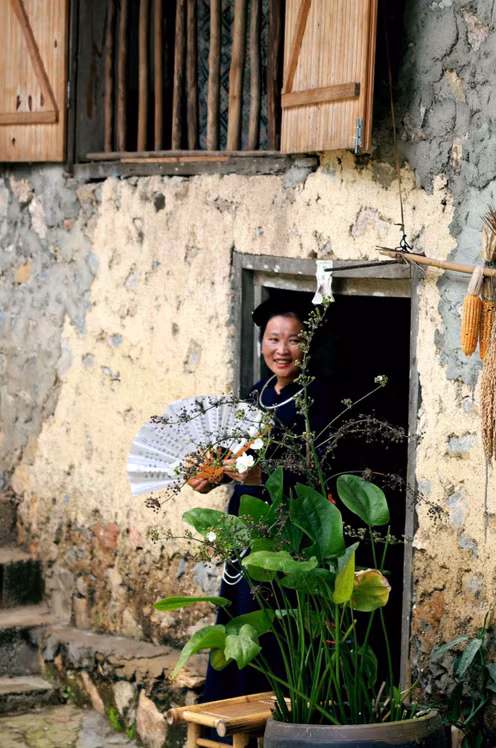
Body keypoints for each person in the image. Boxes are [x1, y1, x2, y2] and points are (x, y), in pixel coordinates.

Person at [187, 295, 330, 708]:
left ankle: (270, 722)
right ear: (261, 343)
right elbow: (234, 458)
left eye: (293, 340)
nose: (282, 350)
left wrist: (266, 476)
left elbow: (322, 468)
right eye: (273, 339)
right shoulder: (255, 393)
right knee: (238, 618)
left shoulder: (316, 400)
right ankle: (228, 722)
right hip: (243, 524)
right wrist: (211, 477)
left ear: (309, 345)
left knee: (271, 622)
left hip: (286, 530)